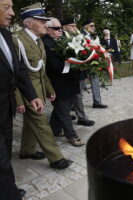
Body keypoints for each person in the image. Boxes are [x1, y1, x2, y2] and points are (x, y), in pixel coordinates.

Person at [13, 3, 73, 170]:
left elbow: (41, 70)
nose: (46, 24)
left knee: (31, 121)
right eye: (42, 21)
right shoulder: (17, 41)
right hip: (26, 91)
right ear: (29, 23)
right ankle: (56, 158)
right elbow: (15, 74)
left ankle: (26, 150)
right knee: (41, 122)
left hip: (38, 89)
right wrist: (18, 99)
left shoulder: (38, 41)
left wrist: (49, 89)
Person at [0, 0, 44, 199]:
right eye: (6, 7)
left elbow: (18, 69)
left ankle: (6, 187)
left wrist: (31, 95)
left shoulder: (6, 34)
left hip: (5, 109)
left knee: (6, 152)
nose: (12, 12)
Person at [43, 17, 85, 146]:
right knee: (63, 108)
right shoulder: (45, 43)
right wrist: (71, 62)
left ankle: (54, 129)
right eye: (56, 28)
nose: (60, 30)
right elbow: (53, 66)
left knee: (61, 108)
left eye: (60, 28)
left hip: (69, 80)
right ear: (48, 29)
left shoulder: (62, 40)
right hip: (57, 82)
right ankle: (71, 136)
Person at [61, 17, 95, 126]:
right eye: (73, 26)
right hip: (69, 72)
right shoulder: (62, 38)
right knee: (76, 95)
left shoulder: (77, 36)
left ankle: (68, 114)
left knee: (76, 94)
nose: (75, 28)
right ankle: (82, 117)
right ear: (64, 27)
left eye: (75, 26)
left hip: (78, 71)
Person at [81, 19, 108, 108]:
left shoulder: (93, 35)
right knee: (81, 83)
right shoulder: (80, 34)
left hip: (93, 61)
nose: (93, 27)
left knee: (95, 80)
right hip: (82, 62)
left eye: (93, 26)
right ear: (85, 26)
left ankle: (97, 102)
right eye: (91, 25)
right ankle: (77, 104)